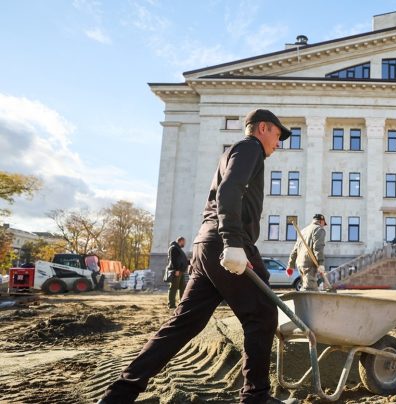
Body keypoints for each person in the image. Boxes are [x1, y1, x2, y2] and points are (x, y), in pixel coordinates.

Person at [99, 109, 295, 404]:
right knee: (262, 314)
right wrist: (232, 241)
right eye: (277, 135)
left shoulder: (235, 152)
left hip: (206, 244)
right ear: (263, 128)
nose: (278, 144)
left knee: (184, 323)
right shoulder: (250, 148)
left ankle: (118, 395)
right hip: (225, 241)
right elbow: (229, 191)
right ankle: (256, 397)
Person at [288, 214, 327, 291]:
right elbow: (318, 247)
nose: (323, 226)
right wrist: (320, 263)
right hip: (309, 264)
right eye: (324, 224)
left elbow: (295, 250)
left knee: (305, 287)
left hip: (300, 264)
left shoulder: (303, 231)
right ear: (321, 221)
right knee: (310, 290)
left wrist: (291, 265)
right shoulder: (319, 229)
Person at [166, 236, 190, 309]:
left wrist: (190, 262)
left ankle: (182, 303)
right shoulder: (173, 248)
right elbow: (173, 260)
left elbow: (182, 260)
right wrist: (176, 270)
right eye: (184, 242)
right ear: (180, 241)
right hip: (176, 271)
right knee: (173, 288)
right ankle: (171, 305)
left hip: (181, 271)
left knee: (183, 287)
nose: (184, 244)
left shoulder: (178, 249)